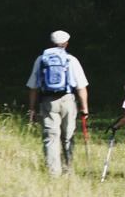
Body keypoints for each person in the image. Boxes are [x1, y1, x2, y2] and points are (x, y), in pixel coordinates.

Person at [26, 29, 89, 176]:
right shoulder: (71, 60)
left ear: (51, 43)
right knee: (68, 135)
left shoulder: (41, 60)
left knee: (51, 136)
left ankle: (53, 173)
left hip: (47, 101)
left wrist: (32, 109)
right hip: (68, 100)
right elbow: (81, 87)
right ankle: (68, 169)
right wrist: (84, 108)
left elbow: (33, 87)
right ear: (66, 44)